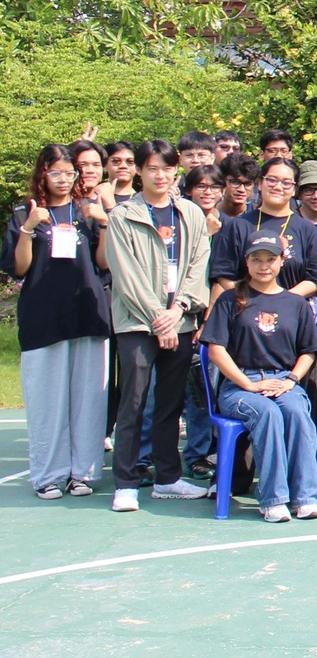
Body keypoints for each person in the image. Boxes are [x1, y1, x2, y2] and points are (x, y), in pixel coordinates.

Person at [98, 140, 213, 511]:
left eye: (166, 169)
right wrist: (157, 318)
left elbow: (198, 265)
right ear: (139, 172)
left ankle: (167, 478)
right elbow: (125, 274)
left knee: (170, 404)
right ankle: (126, 483)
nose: (160, 176)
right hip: (137, 323)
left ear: (175, 172)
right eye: (152, 168)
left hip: (179, 319)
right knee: (133, 404)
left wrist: (178, 310)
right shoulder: (123, 215)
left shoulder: (190, 213)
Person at [199, 231, 317, 522]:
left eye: (270, 259)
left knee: (296, 411)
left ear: (281, 261)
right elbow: (216, 351)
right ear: (246, 262)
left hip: (283, 380)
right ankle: (273, 499)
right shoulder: (231, 299)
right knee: (267, 413)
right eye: (256, 259)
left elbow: (309, 351)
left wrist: (291, 380)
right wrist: (249, 385)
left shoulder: (295, 303)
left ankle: (305, 497)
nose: (264, 266)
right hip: (240, 384)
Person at [10, 145, 113, 501]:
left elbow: (103, 263)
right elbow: (19, 268)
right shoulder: (25, 211)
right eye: (56, 173)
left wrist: (105, 223)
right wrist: (28, 228)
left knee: (88, 400)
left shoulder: (87, 210)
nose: (64, 179)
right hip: (43, 318)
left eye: (70, 173)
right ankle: (48, 476)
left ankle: (83, 473)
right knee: (46, 402)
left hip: (88, 314)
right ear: (42, 174)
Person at [209, 157, 317, 306]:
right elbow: (224, 274)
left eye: (286, 183)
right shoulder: (237, 226)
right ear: (260, 184)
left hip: (290, 309)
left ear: (294, 189)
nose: (278, 187)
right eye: (272, 180)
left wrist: (281, 299)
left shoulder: (307, 230)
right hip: (244, 308)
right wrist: (250, 299)